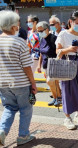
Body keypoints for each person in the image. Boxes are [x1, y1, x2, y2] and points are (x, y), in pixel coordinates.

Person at [0, 10, 37, 146]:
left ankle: (1, 130)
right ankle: (23, 136)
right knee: (25, 109)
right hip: (21, 83)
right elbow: (27, 67)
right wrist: (33, 83)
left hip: (2, 83)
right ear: (12, 26)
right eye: (17, 24)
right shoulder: (20, 42)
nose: (19, 26)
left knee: (9, 108)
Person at [55, 11, 78, 130]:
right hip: (67, 63)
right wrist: (69, 49)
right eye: (77, 23)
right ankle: (67, 118)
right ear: (70, 22)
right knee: (67, 90)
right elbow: (57, 51)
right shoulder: (63, 34)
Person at [36, 21, 62, 107]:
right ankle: (56, 98)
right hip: (45, 65)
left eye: (41, 31)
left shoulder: (54, 38)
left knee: (51, 81)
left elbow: (59, 51)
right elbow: (41, 53)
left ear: (47, 29)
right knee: (52, 83)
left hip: (54, 65)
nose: (39, 33)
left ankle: (59, 98)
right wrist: (39, 66)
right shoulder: (42, 39)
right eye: (38, 31)